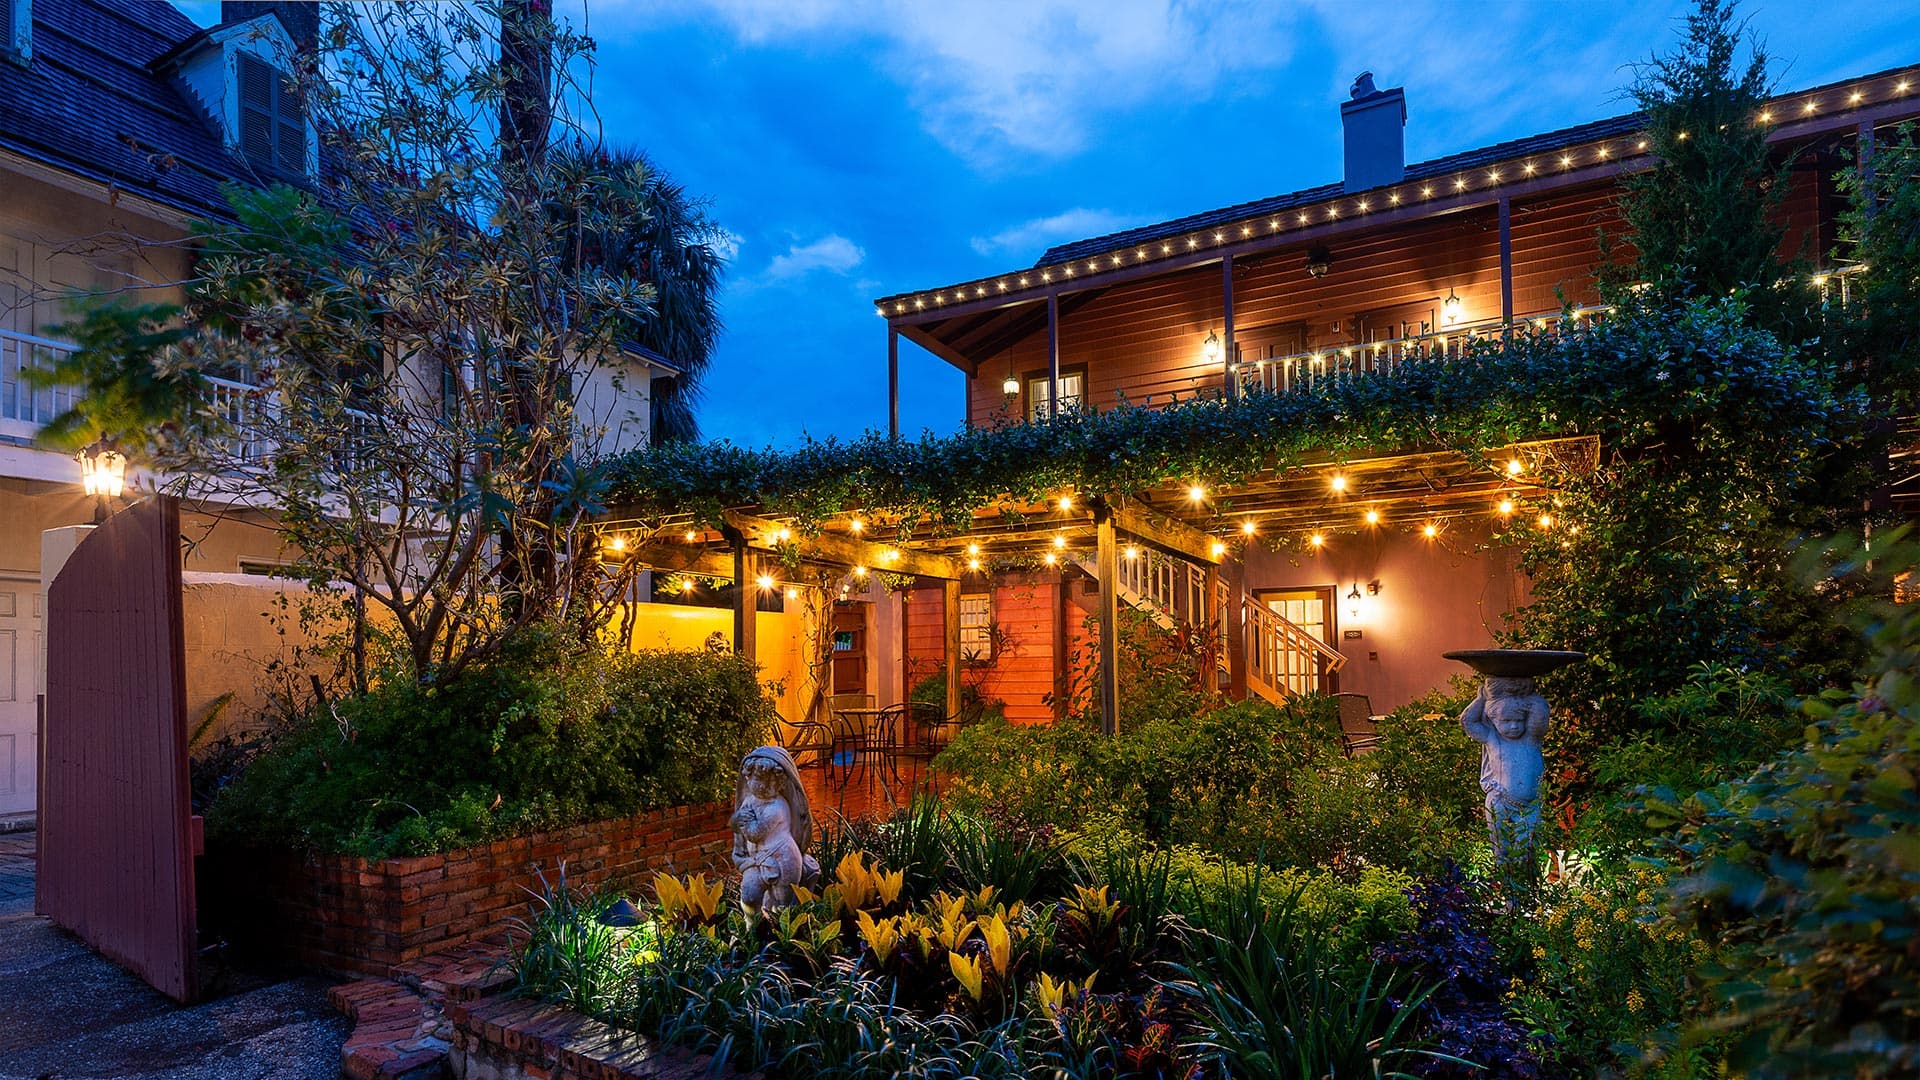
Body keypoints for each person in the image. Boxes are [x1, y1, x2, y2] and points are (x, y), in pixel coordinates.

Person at [1459, 676, 1551, 869]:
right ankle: (1508, 894)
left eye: (1518, 720)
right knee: (1502, 851)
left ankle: (1529, 894)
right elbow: (1468, 721)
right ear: (1493, 719)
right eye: (1506, 721)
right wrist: (1481, 699)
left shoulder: (1531, 738)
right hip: (1499, 801)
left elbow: (1541, 716)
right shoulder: (1492, 738)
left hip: (1530, 806)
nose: (1514, 726)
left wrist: (1525, 695)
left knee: (1529, 853)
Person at [729, 745, 817, 915]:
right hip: (757, 859)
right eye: (759, 779)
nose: (764, 786)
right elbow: (735, 824)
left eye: (771, 782)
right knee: (749, 895)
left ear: (780, 784)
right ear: (747, 777)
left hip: (784, 860)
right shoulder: (749, 800)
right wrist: (739, 820)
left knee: (782, 903)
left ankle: (782, 935)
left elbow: (755, 834)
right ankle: (751, 932)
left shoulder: (776, 807)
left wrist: (742, 820)